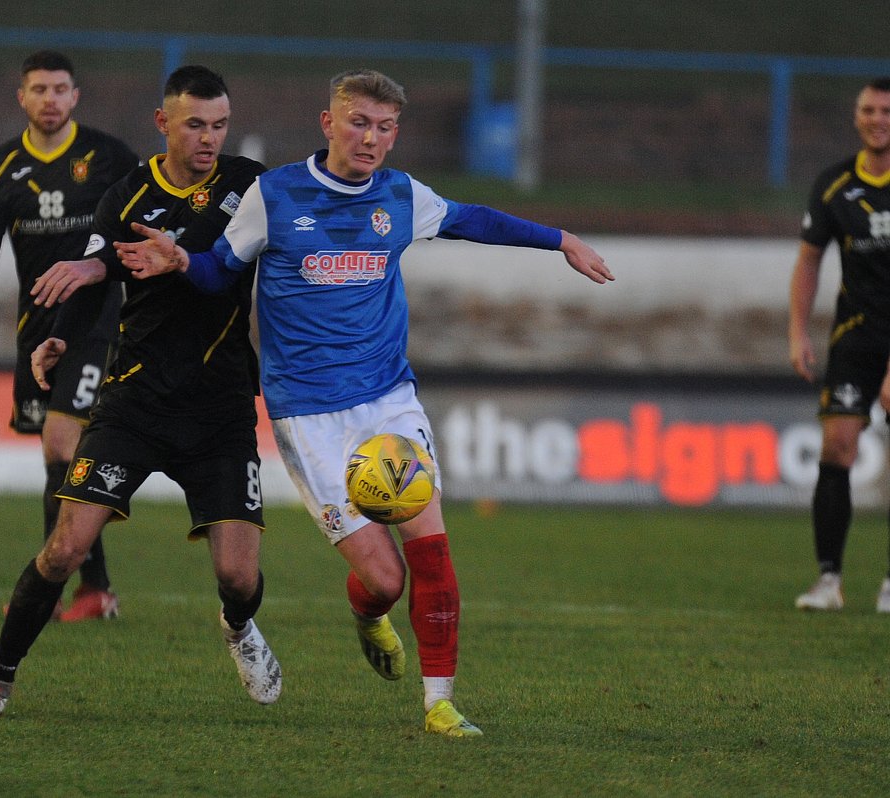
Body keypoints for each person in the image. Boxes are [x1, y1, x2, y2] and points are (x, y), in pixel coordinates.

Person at [116, 68, 614, 737]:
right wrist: (181, 261)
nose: (370, 139)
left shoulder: (402, 196)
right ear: (329, 123)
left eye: (383, 127)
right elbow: (218, 270)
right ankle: (369, 611)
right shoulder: (278, 193)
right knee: (385, 580)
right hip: (309, 416)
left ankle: (440, 702)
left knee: (433, 550)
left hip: (388, 401)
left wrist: (561, 241)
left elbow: (475, 220)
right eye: (358, 122)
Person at [0, 65, 279, 723]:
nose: (209, 138)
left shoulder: (251, 188)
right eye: (195, 125)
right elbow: (100, 277)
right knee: (65, 546)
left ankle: (239, 627)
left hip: (219, 409)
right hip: (134, 402)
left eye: (219, 125)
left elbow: (260, 258)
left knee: (239, 578)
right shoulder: (127, 195)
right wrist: (61, 341)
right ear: (163, 124)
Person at [0, 50, 138, 621]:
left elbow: (142, 228)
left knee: (64, 446)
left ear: (75, 95)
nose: (51, 99)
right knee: (56, 462)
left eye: (61, 89)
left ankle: (55, 587)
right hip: (35, 330)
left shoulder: (110, 159)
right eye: (39, 89)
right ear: (22, 97)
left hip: (98, 323)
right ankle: (94, 589)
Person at [790, 77, 890, 613]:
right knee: (837, 446)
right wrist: (796, 331)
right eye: (868, 110)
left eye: (886, 111)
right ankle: (829, 581)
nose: (877, 119)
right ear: (856, 117)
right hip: (856, 334)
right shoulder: (834, 185)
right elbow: (809, 261)